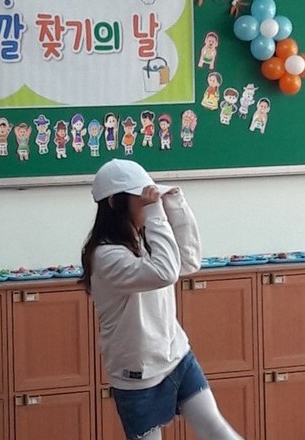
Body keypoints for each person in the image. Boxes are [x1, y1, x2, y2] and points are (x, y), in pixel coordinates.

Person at [80, 159, 243, 440]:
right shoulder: (106, 256)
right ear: (114, 203)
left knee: (214, 427)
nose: (150, 206)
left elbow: (188, 261)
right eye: (142, 200)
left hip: (176, 355)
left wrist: (175, 205)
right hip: (137, 372)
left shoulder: (144, 239)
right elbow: (165, 272)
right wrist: (156, 212)